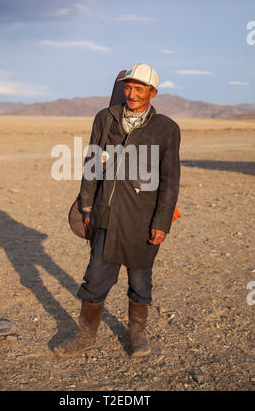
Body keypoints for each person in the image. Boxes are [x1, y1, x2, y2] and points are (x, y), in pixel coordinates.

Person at [55, 63, 181, 358]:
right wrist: (86, 205)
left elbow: (171, 179)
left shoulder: (166, 128)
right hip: (106, 214)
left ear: (153, 92)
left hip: (143, 218)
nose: (132, 93)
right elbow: (91, 162)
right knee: (96, 277)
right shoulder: (106, 118)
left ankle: (137, 335)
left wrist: (162, 221)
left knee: (139, 281)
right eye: (128, 87)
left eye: (139, 88)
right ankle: (85, 336)